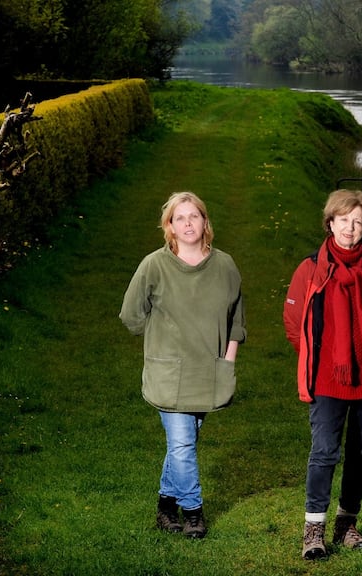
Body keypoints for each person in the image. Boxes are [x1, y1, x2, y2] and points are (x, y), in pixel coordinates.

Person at [119, 191, 246, 539]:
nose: (188, 223)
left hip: (209, 372)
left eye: (194, 216)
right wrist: (163, 337)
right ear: (170, 227)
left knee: (183, 443)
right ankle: (193, 512)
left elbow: (236, 320)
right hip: (169, 375)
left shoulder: (225, 265)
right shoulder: (154, 266)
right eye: (180, 218)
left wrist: (228, 363)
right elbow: (131, 316)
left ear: (205, 222)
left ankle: (164, 507)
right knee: (182, 446)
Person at [283, 189, 362, 560]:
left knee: (361, 454)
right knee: (324, 453)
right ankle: (313, 530)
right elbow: (293, 322)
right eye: (344, 220)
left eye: (358, 222)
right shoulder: (310, 268)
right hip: (328, 379)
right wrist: (321, 361)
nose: (350, 228)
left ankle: (346, 524)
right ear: (330, 222)